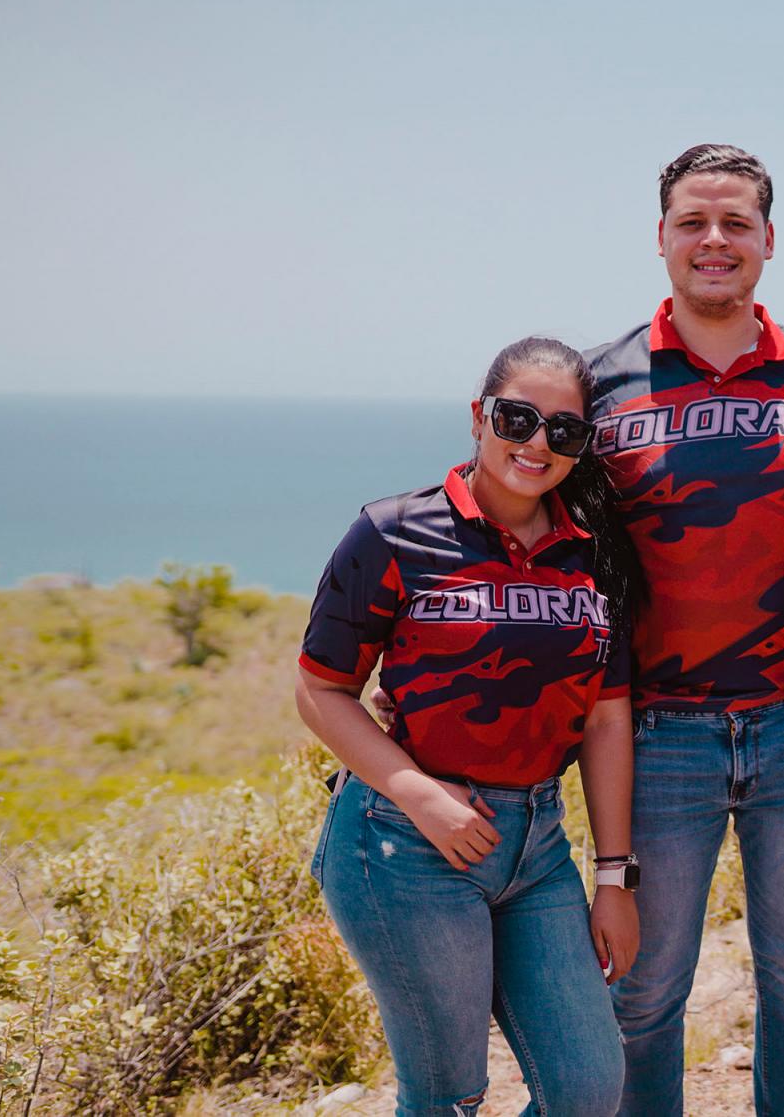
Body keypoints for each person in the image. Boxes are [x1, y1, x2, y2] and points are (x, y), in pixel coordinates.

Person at [297, 337, 641, 1116]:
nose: (537, 443)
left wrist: (614, 877)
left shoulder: (595, 556)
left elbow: (608, 718)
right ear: (480, 416)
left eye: (564, 430)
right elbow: (321, 688)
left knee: (588, 1088)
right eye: (518, 418)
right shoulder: (393, 531)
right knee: (449, 1095)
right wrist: (421, 794)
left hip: (538, 848)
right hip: (404, 845)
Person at [582, 144, 784, 1117]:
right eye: (692, 222)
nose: (713, 241)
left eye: (735, 223)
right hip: (656, 738)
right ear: (659, 237)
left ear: (768, 241)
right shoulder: (601, 385)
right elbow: (534, 540)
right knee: (644, 993)